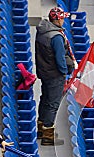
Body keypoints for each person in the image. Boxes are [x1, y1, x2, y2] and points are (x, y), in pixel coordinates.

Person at [35, 7, 76, 145]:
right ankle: (48, 135)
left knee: (45, 99)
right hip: (55, 74)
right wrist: (65, 72)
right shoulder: (56, 37)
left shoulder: (42, 31)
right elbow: (60, 59)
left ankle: (40, 128)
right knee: (53, 104)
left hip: (45, 72)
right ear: (57, 19)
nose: (64, 20)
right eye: (62, 18)